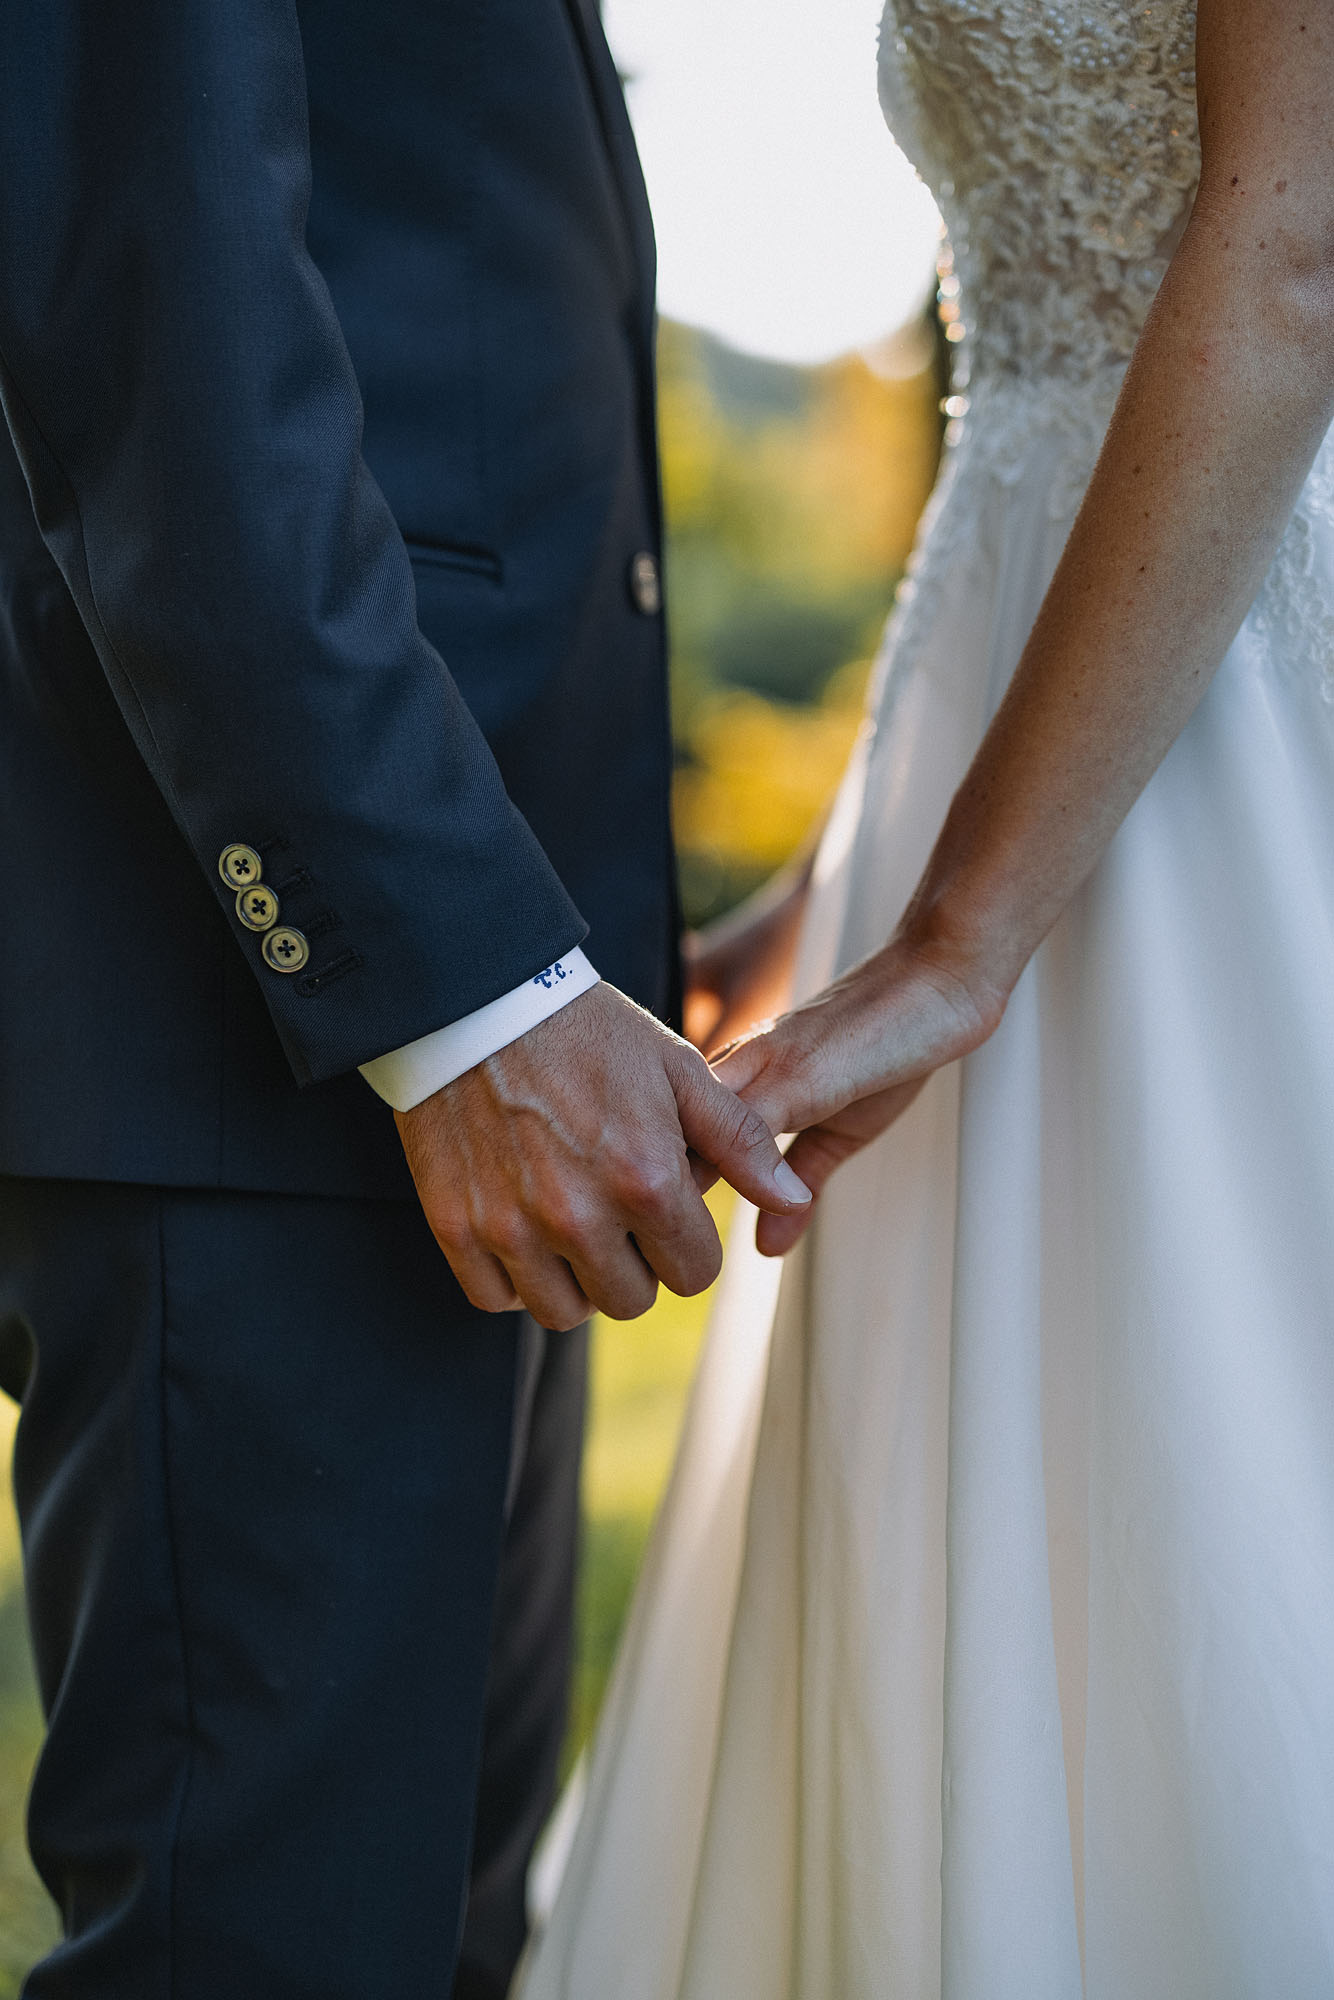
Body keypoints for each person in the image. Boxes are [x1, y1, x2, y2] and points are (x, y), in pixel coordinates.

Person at [519, 0, 1334, 1993]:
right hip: (1025, 722)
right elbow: (1032, 419)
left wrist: (964, 932)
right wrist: (838, 897)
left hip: (1246, 738)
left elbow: (1293, 247)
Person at [0, 4, 812, 1995]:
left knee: (434, 1934)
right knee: (263, 1952)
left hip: (490, 973)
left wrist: (565, 948)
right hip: (272, 1013)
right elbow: (158, 304)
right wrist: (454, 988)